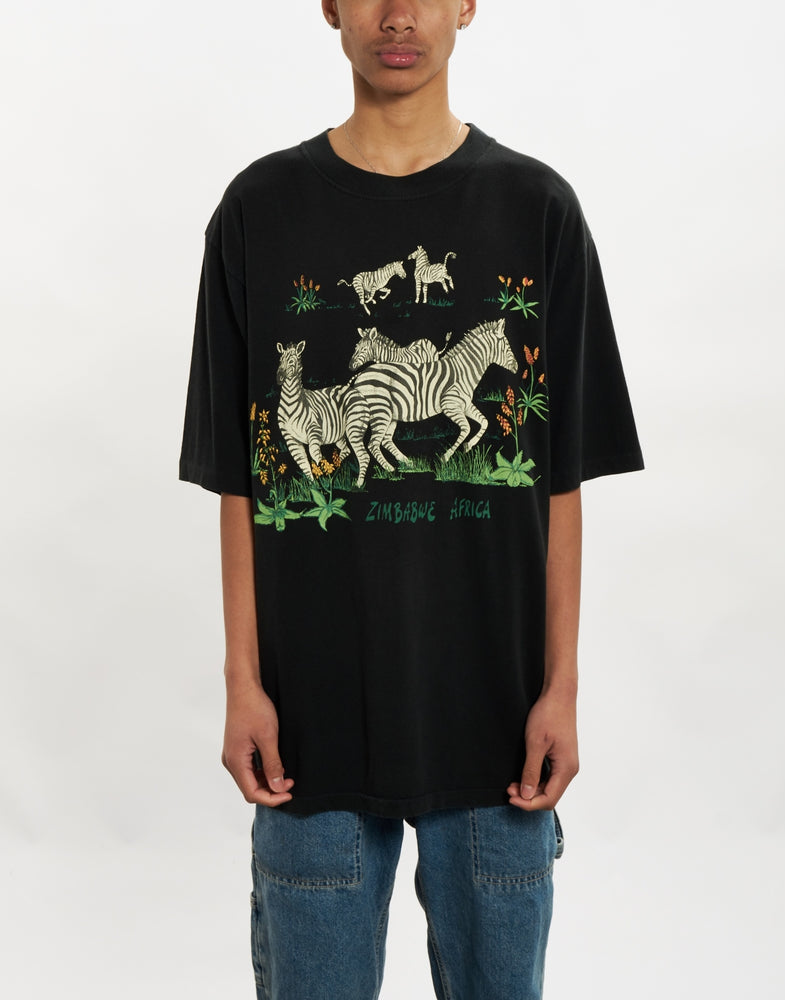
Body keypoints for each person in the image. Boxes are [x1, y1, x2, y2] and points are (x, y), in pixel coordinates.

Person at [179, 2, 643, 997]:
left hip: (499, 734)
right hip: (310, 735)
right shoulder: (259, 211)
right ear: (329, 7)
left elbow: (560, 481)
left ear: (468, 4)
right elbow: (242, 478)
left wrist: (560, 687)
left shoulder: (538, 209)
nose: (399, 14)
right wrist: (241, 681)